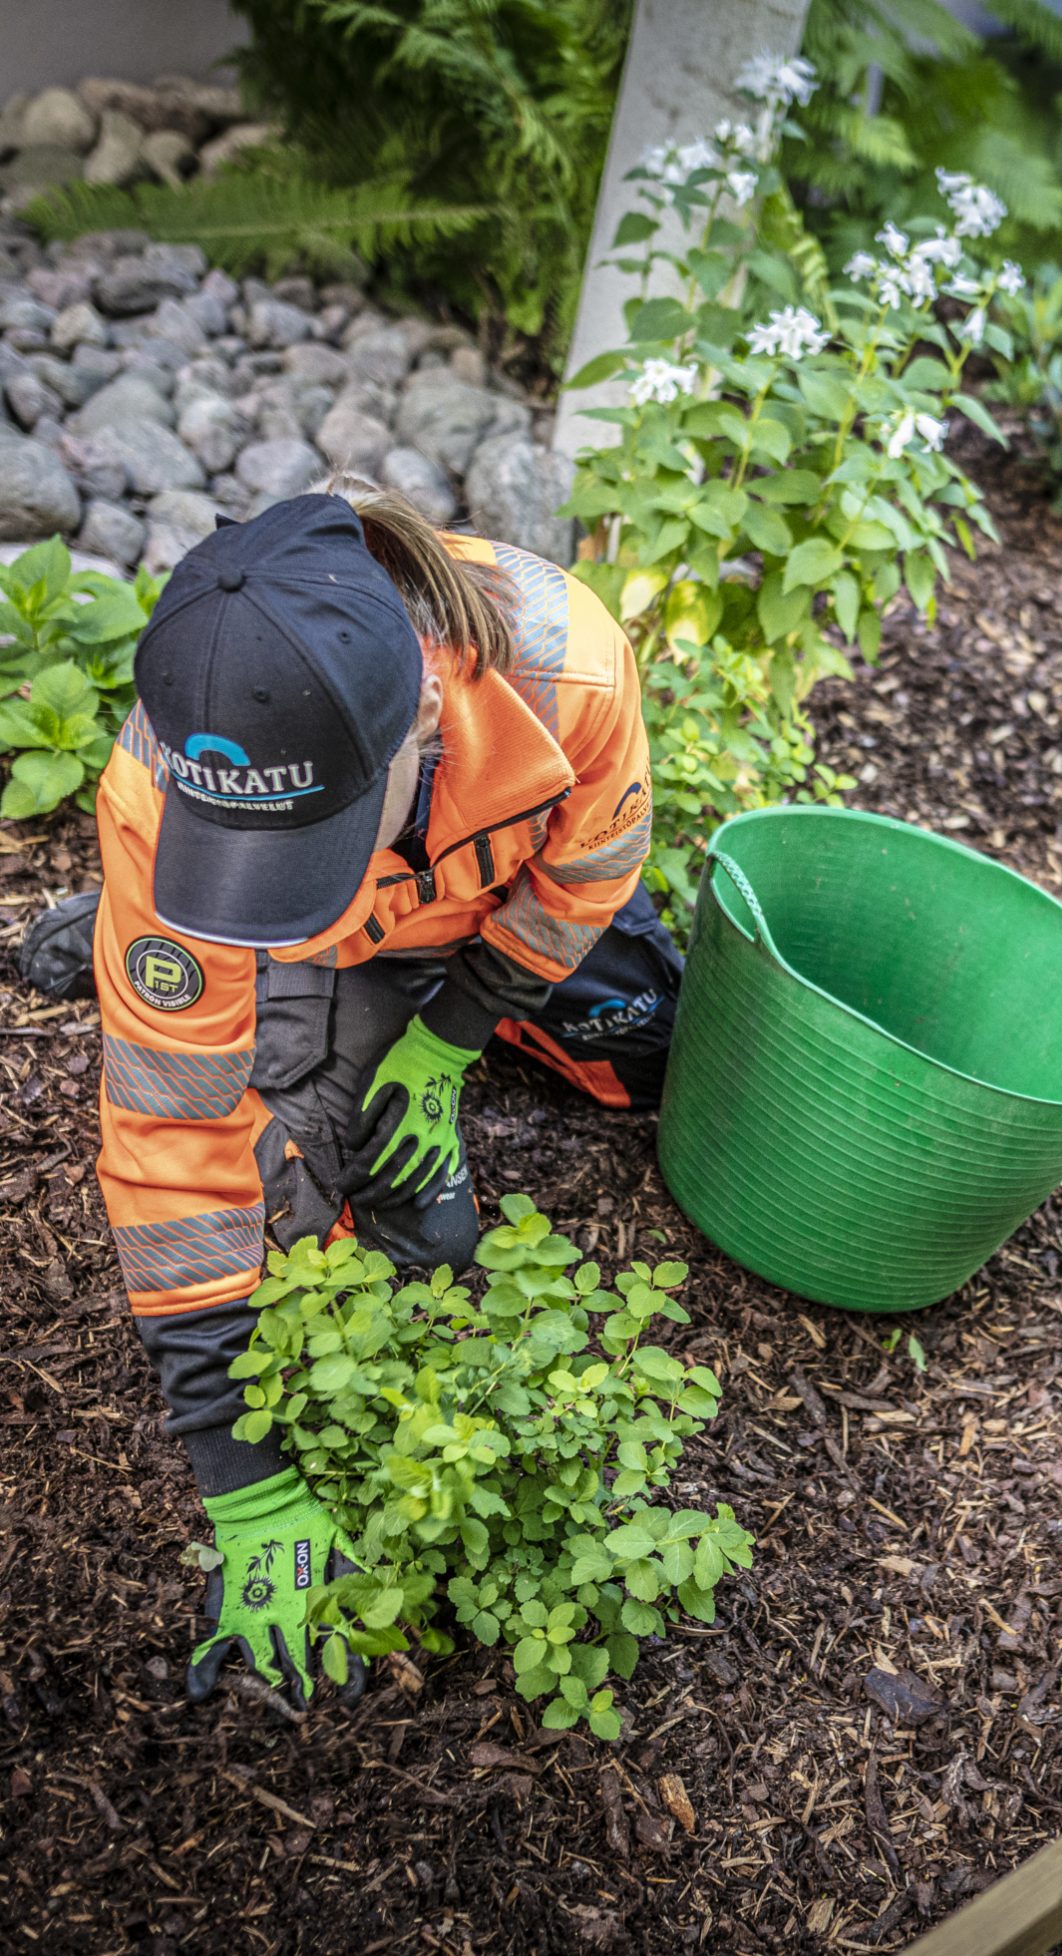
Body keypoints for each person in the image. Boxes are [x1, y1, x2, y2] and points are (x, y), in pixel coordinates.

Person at [23, 484, 680, 1709]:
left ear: (423, 707)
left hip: (478, 907)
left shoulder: (566, 670)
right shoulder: (164, 788)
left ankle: (208, 953)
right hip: (322, 944)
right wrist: (242, 1473)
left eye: (307, 837)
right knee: (341, 1202)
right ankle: (118, 934)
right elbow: (172, 1128)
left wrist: (457, 1032)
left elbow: (590, 863)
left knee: (649, 1050)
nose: (284, 868)